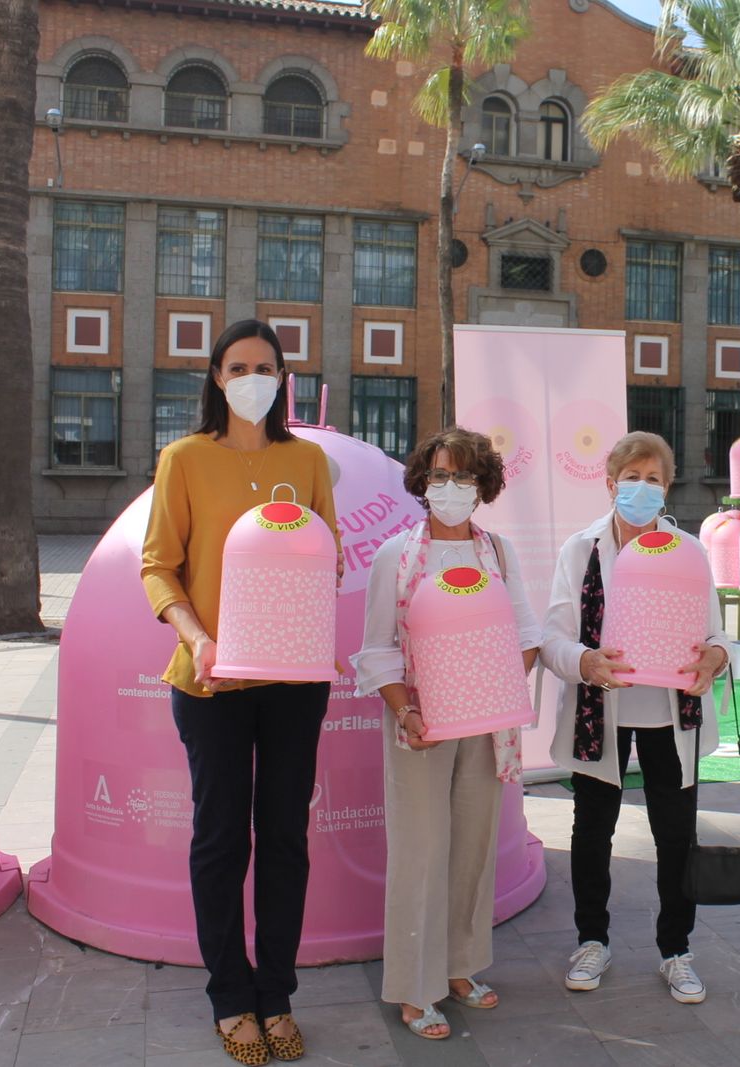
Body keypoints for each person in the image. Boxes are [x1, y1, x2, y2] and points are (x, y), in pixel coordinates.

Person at [141, 319, 341, 1066]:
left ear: (283, 377)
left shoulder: (308, 459)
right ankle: (230, 994)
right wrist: (197, 636)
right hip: (211, 681)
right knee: (222, 839)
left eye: (267, 365)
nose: (254, 377)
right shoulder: (185, 459)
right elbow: (159, 566)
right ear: (216, 378)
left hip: (294, 682)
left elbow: (327, 556)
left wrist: (320, 573)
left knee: (286, 838)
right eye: (239, 366)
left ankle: (277, 991)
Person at [351, 427, 541, 1041]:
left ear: (483, 486)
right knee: (420, 852)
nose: (450, 488)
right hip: (421, 726)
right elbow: (377, 648)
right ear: (422, 483)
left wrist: (491, 683)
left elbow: (526, 636)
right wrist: (408, 711)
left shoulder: (500, 554)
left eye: (463, 477)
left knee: (473, 847)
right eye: (440, 476)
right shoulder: (394, 557)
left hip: (485, 727)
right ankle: (414, 987)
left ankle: (461, 969)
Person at [540, 431, 732, 1004]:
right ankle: (591, 939)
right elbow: (552, 637)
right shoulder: (581, 550)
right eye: (632, 477)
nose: (642, 489)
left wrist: (716, 657)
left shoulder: (690, 550)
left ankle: (677, 950)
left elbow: (716, 634)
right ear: (609, 484)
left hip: (670, 714)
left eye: (654, 479)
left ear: (667, 487)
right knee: (592, 829)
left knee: (676, 834)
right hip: (601, 711)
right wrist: (585, 661)